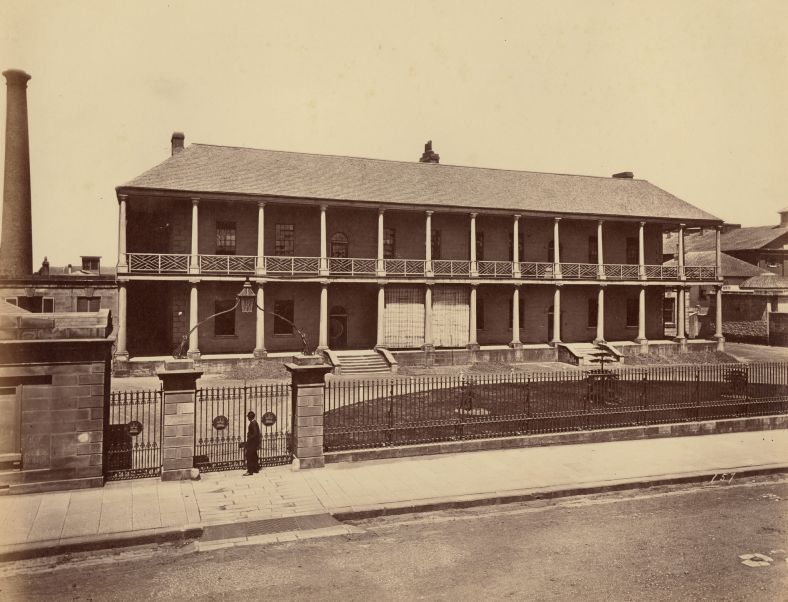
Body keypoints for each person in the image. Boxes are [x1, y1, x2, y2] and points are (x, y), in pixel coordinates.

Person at [243, 410, 262, 475]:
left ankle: (250, 471)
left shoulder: (253, 423)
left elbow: (255, 434)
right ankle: (255, 469)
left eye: (248, 417)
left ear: (249, 417)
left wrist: (249, 437)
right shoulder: (254, 422)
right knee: (254, 456)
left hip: (252, 443)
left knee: (249, 456)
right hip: (254, 443)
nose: (247, 418)